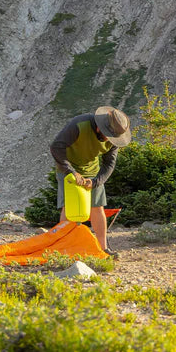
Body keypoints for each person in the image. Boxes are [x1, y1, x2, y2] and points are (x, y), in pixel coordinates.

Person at [50, 105, 131, 256]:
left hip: (92, 171)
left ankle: (102, 248)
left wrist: (95, 182)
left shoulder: (115, 139)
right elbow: (56, 147)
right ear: (101, 128)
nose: (110, 139)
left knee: (97, 207)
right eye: (109, 135)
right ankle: (64, 249)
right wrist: (72, 172)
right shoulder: (79, 125)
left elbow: (109, 164)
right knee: (69, 208)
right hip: (67, 167)